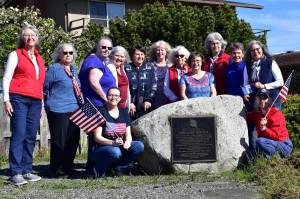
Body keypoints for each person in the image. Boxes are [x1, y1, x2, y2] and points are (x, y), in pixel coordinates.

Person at [2, 24, 45, 185]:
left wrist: (41, 103)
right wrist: (6, 99)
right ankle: (16, 172)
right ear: (22, 38)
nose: (30, 37)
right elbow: (6, 78)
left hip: (35, 100)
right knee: (19, 134)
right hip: (18, 98)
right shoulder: (15, 54)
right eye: (26, 35)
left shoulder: (40, 58)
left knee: (30, 136)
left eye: (32, 35)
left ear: (37, 38)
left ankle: (27, 170)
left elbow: (40, 83)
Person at [44, 43, 82, 177]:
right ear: (59, 55)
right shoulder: (54, 68)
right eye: (65, 53)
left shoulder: (74, 69)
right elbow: (45, 88)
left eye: (70, 53)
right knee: (59, 141)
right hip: (58, 109)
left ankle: (68, 166)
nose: (68, 55)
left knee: (73, 140)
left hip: (75, 110)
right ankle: (56, 168)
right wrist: (48, 105)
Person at [89, 87, 144, 177]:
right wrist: (113, 142)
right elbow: (97, 138)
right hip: (102, 148)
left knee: (138, 146)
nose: (113, 97)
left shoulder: (124, 112)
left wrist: (128, 142)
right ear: (106, 97)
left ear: (119, 98)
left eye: (116, 95)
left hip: (119, 146)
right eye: (110, 95)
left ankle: (118, 168)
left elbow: (128, 135)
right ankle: (99, 169)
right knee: (115, 151)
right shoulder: (101, 112)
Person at [246, 89, 293, 159]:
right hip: (267, 144)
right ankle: (266, 157)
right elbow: (247, 116)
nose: (262, 100)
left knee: (259, 141)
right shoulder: (257, 114)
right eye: (259, 97)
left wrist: (264, 129)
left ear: (269, 100)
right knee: (247, 156)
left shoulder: (276, 114)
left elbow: (276, 136)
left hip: (283, 144)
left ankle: (275, 157)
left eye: (264, 98)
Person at [244, 40, 284, 110]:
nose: (255, 52)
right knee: (258, 121)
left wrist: (264, 86)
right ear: (250, 53)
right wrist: (246, 93)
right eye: (252, 50)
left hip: (272, 100)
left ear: (262, 49)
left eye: (257, 49)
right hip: (255, 102)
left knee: (273, 120)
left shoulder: (270, 62)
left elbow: (280, 82)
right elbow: (245, 83)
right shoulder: (247, 66)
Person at [79, 36, 116, 108]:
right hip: (96, 105)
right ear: (97, 47)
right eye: (103, 47)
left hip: (100, 104)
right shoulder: (94, 61)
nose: (106, 50)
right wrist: (106, 99)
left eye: (109, 48)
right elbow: (94, 83)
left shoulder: (101, 61)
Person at [124, 46, 157, 119]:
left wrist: (148, 100)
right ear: (132, 56)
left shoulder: (149, 67)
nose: (140, 56)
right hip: (130, 106)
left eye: (142, 54)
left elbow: (154, 86)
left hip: (146, 106)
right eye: (137, 54)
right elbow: (123, 87)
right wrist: (129, 103)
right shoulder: (126, 68)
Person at [149, 40, 172, 108]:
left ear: (166, 52)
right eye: (158, 50)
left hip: (168, 97)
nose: (160, 52)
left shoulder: (171, 66)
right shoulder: (150, 66)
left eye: (162, 50)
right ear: (155, 52)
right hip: (153, 97)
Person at [107, 46, 131, 110]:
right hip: (114, 105)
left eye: (122, 57)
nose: (119, 58)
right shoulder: (109, 67)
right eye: (117, 55)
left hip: (123, 105)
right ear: (112, 56)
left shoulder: (122, 68)